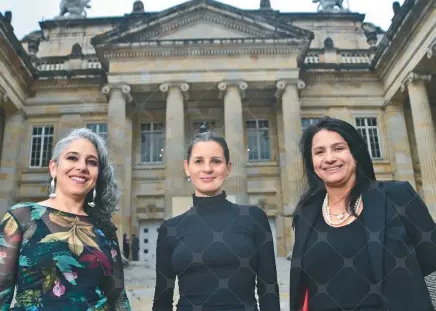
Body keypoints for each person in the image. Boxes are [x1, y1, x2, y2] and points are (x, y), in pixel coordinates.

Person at [289, 116, 436, 311]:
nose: (329, 158)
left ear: (356, 153)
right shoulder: (306, 215)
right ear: (312, 163)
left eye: (339, 148)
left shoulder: (397, 196)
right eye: (319, 152)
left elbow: (433, 267)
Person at [0, 128, 131, 310]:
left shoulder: (104, 228)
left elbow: (118, 298)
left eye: (91, 162)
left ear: (97, 175)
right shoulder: (22, 216)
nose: (82, 167)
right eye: (72, 158)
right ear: (54, 167)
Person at [152, 131, 280, 311]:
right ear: (187, 167)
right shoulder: (170, 229)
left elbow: (269, 291)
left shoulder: (254, 218)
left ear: (228, 168)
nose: (207, 169)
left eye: (216, 161)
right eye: (198, 161)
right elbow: (162, 300)